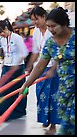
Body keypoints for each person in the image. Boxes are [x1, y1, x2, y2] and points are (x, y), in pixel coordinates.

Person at [19, 7, 75, 135]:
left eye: (54, 26)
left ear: (64, 24)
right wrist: (26, 85)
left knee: (68, 125)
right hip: (64, 91)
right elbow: (40, 66)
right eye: (49, 26)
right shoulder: (50, 43)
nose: (50, 29)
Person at [25, 6, 61, 134]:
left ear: (44, 17)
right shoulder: (35, 31)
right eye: (32, 20)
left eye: (36, 19)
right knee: (41, 94)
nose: (35, 22)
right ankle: (46, 119)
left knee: (53, 96)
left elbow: (59, 51)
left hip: (54, 68)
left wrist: (54, 67)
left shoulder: (53, 31)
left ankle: (53, 124)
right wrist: (29, 67)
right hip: (41, 67)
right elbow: (35, 51)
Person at [0, 18, 29, 121]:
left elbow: (24, 52)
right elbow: (5, 54)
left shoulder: (17, 38)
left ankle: (18, 111)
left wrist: (16, 64)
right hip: (7, 67)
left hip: (17, 68)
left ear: (6, 28)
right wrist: (3, 63)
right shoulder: (3, 40)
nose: (0, 35)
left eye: (1, 32)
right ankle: (0, 112)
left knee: (17, 90)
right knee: (3, 89)